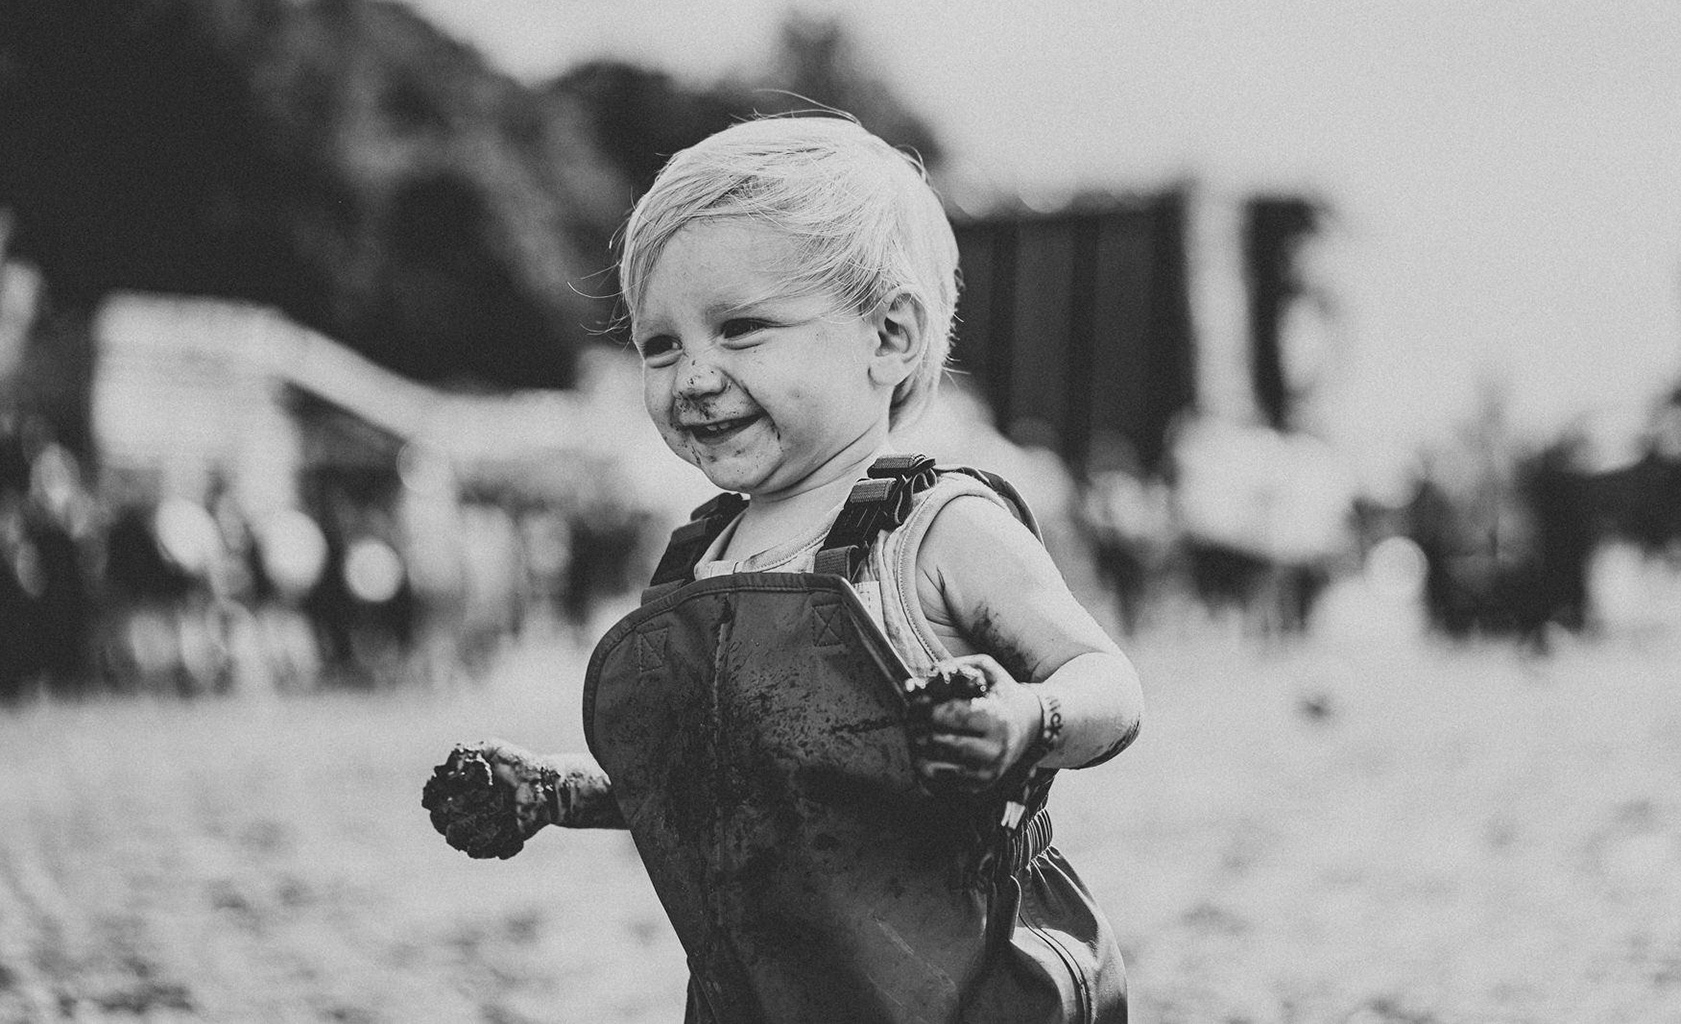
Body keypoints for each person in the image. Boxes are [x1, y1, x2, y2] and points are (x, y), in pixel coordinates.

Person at [424, 115, 1142, 1022]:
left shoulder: (936, 529)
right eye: (660, 345)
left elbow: (1109, 681)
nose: (693, 377)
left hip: (962, 987)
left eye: (741, 329)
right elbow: (722, 789)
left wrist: (1027, 718)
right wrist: (553, 789)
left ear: (889, 336)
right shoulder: (699, 559)